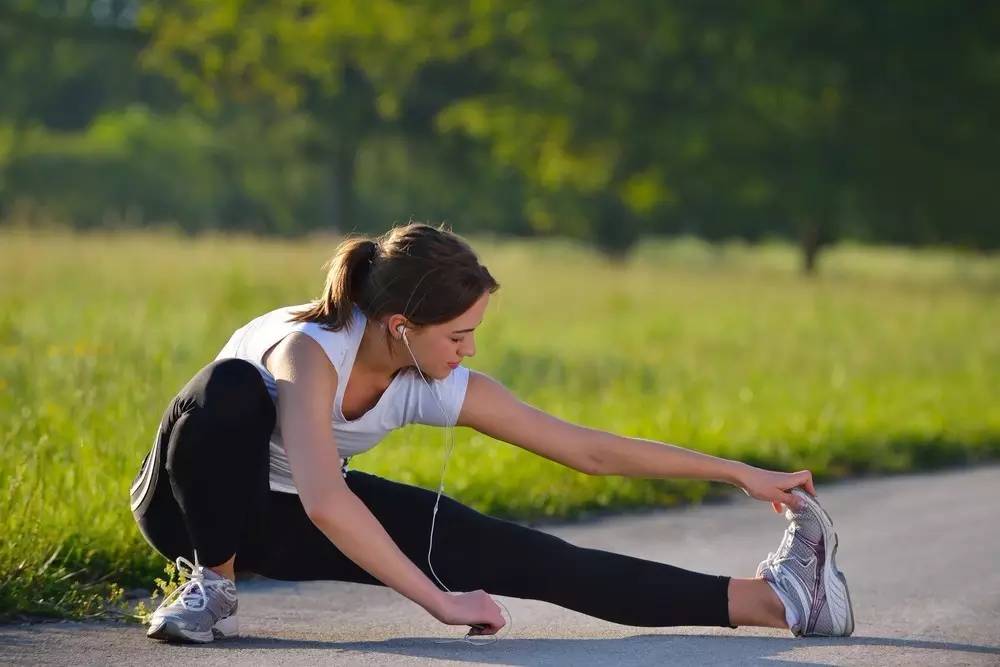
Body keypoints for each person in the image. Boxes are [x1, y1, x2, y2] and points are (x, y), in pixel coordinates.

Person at [129, 221, 855, 644]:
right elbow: (325, 497)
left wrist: (738, 471)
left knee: (524, 553)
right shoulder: (309, 352)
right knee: (226, 391)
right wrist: (440, 602)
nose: (469, 351)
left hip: (281, 517)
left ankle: (782, 599)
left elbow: (586, 450)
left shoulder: (428, 374)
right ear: (401, 327)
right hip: (189, 507)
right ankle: (211, 587)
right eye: (460, 334)